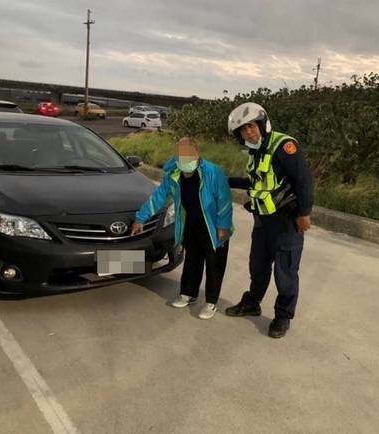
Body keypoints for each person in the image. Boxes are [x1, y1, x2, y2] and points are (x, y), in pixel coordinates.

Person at [225, 102, 313, 338]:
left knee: (285, 273)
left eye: (251, 127)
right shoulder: (256, 152)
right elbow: (257, 184)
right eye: (243, 130)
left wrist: (304, 213)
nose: (248, 133)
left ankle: (283, 317)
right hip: (263, 220)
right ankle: (252, 303)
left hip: (287, 221)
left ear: (262, 124)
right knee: (258, 266)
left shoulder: (284, 146)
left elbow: (303, 180)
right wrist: (228, 181)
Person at [131, 137, 233, 319]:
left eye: (190, 154)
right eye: (182, 155)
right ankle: (188, 293)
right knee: (192, 260)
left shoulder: (213, 172)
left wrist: (223, 226)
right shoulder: (174, 174)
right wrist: (141, 218)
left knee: (214, 265)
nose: (186, 159)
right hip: (191, 225)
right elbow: (159, 197)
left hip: (214, 227)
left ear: (197, 154)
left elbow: (225, 201)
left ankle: (211, 302)